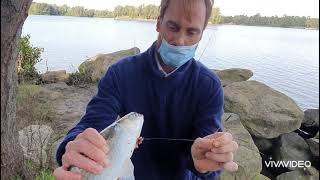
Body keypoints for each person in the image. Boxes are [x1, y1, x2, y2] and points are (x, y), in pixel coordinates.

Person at [53, 0, 239, 179]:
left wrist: (205, 164)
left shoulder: (209, 85)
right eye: (173, 27)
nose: (180, 40)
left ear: (202, 34)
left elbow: (209, 160)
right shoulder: (120, 73)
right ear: (159, 23)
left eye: (192, 32)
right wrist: (73, 146)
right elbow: (92, 125)